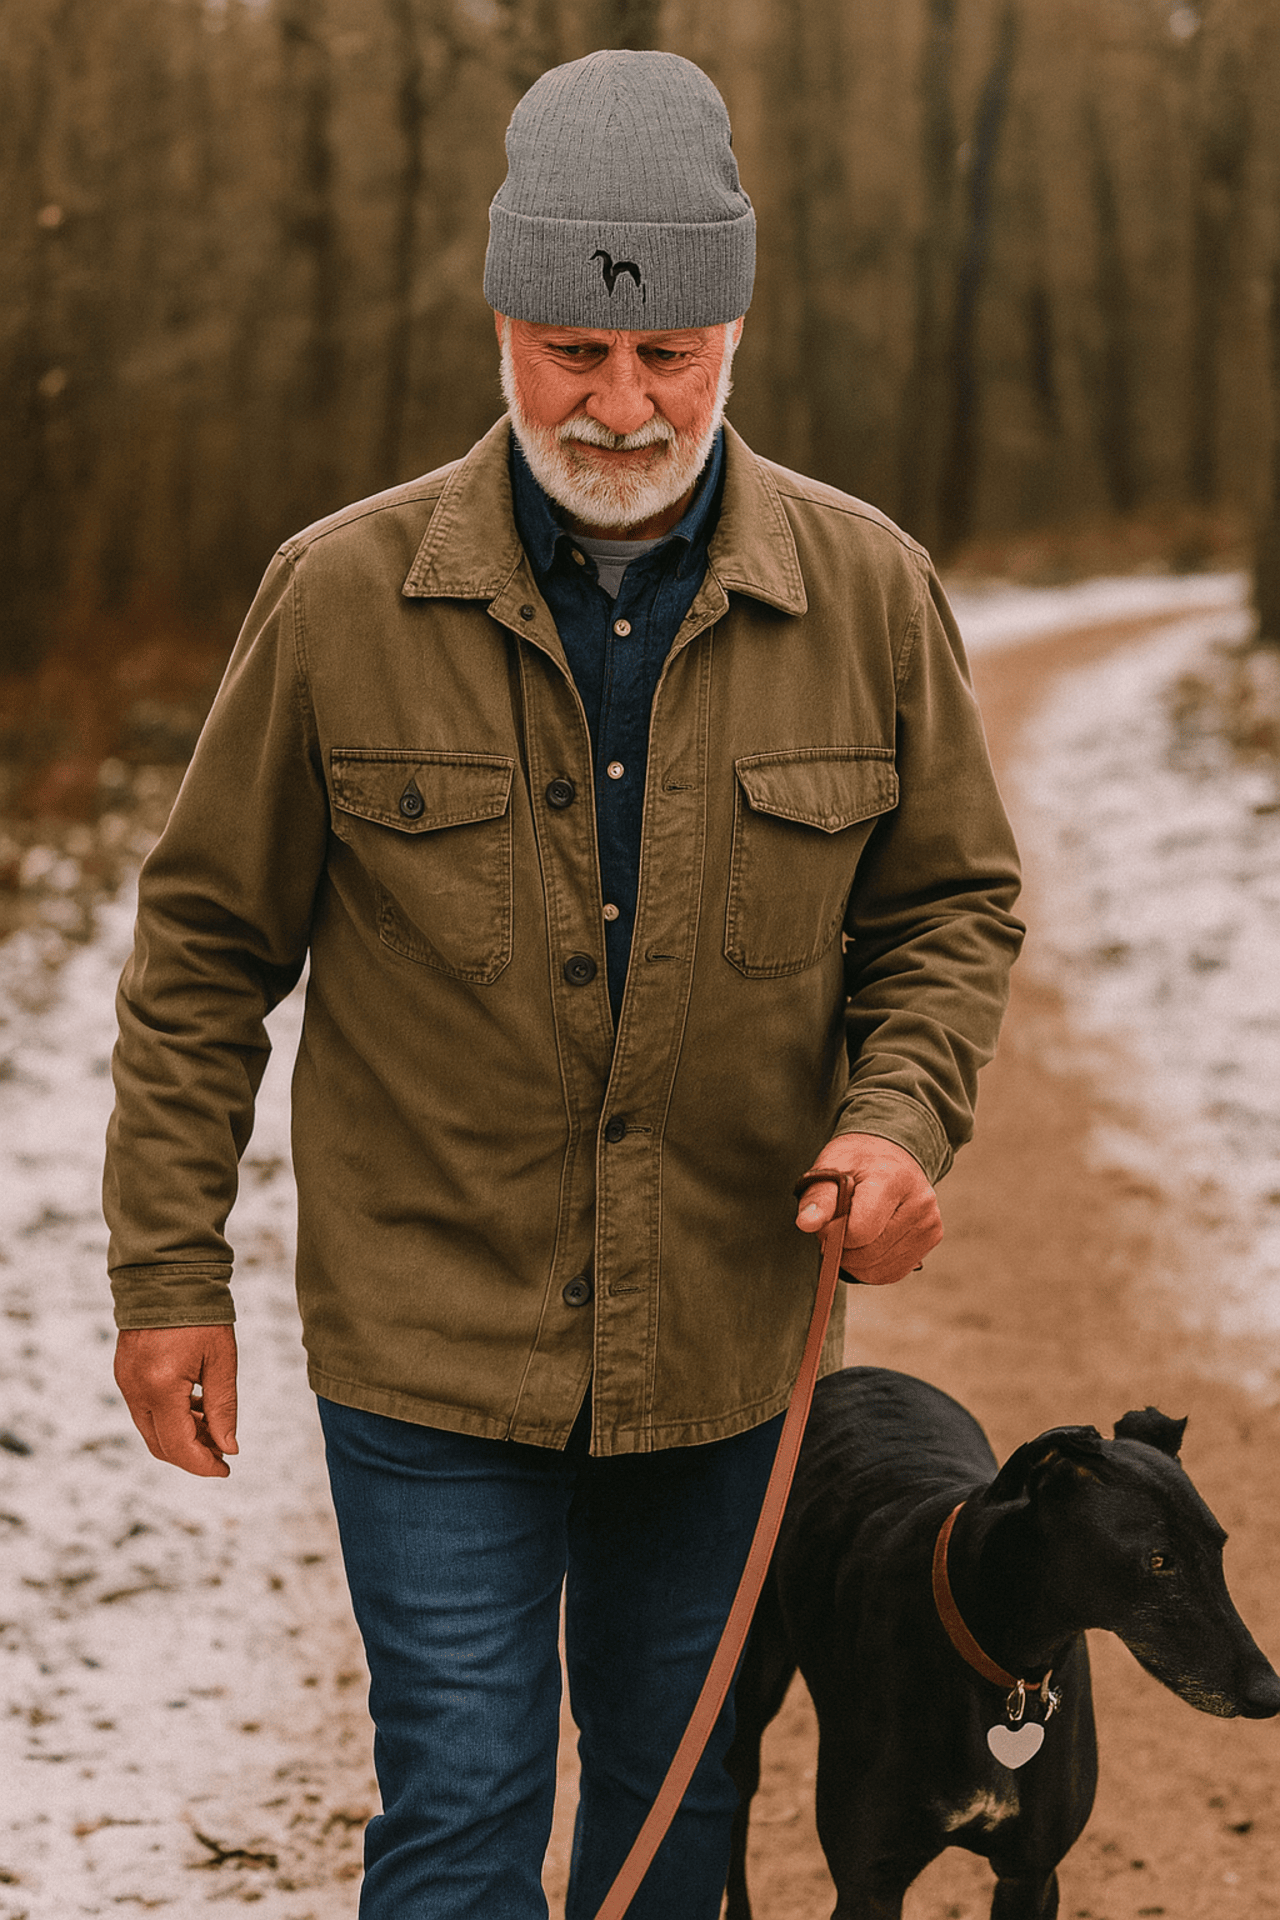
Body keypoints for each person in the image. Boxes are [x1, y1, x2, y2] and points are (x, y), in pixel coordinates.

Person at [105, 47, 1023, 1920]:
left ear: (735, 327)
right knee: (459, 1815)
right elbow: (204, 950)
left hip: (725, 1348)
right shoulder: (338, 597)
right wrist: (164, 1275)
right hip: (427, 1341)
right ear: (505, 323)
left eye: (668, 353)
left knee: (678, 1824)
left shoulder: (868, 594)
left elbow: (950, 908)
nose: (620, 404)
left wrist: (898, 1114)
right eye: (572, 352)